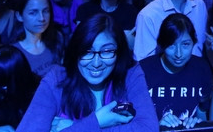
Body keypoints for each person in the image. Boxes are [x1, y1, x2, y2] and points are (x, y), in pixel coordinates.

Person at [15, 13, 158, 132]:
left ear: (118, 53)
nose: (96, 63)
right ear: (76, 51)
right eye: (87, 51)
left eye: (107, 51)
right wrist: (99, 122)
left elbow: (149, 128)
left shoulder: (130, 73)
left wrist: (77, 127)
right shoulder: (56, 78)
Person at [140, 14, 213, 129]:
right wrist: (158, 127)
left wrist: (196, 124)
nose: (178, 54)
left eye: (185, 44)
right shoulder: (142, 71)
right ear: (162, 44)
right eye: (171, 45)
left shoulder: (201, 69)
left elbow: (203, 114)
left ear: (193, 42)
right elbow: (133, 122)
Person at [12, 0, 63, 79]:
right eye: (33, 13)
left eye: (45, 11)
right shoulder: (14, 53)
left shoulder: (57, 37)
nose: (41, 18)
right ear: (19, 16)